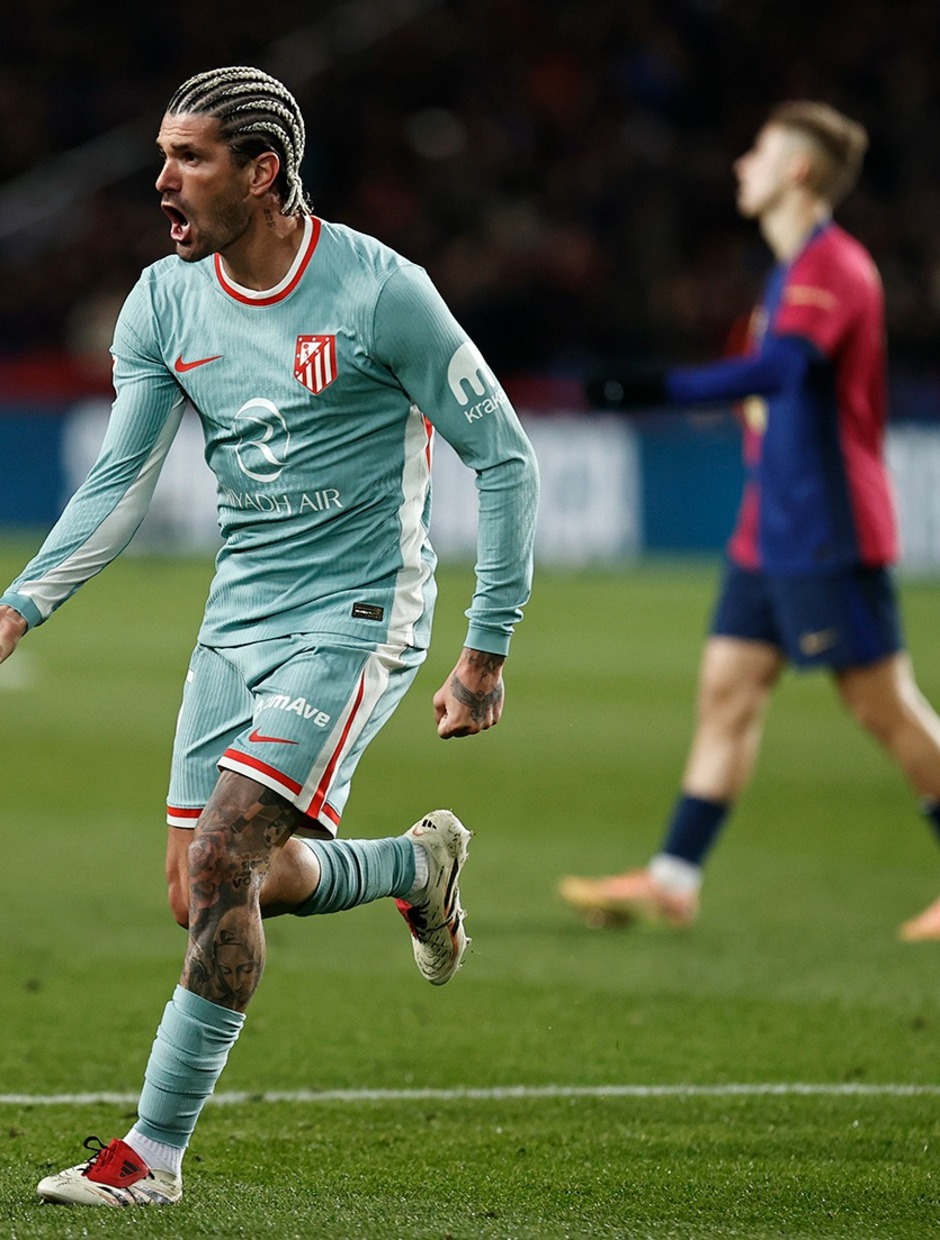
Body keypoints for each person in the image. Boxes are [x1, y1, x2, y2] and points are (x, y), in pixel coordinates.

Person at [0, 66, 538, 1206]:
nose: (162, 181)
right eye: (162, 155)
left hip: (357, 610)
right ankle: (412, 865)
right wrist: (20, 602)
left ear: (264, 172)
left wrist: (483, 647)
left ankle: (150, 1157)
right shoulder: (163, 302)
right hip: (238, 612)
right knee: (208, 891)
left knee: (222, 855)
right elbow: (118, 482)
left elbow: (507, 458)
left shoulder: (380, 293)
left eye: (188, 159)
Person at [559, 100, 940, 943]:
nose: (741, 165)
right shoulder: (792, 266)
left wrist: (654, 389)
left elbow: (778, 370)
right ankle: (672, 878)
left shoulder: (831, 266)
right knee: (728, 694)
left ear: (798, 170)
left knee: (884, 708)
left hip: (824, 529)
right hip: (769, 529)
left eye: (759, 152)